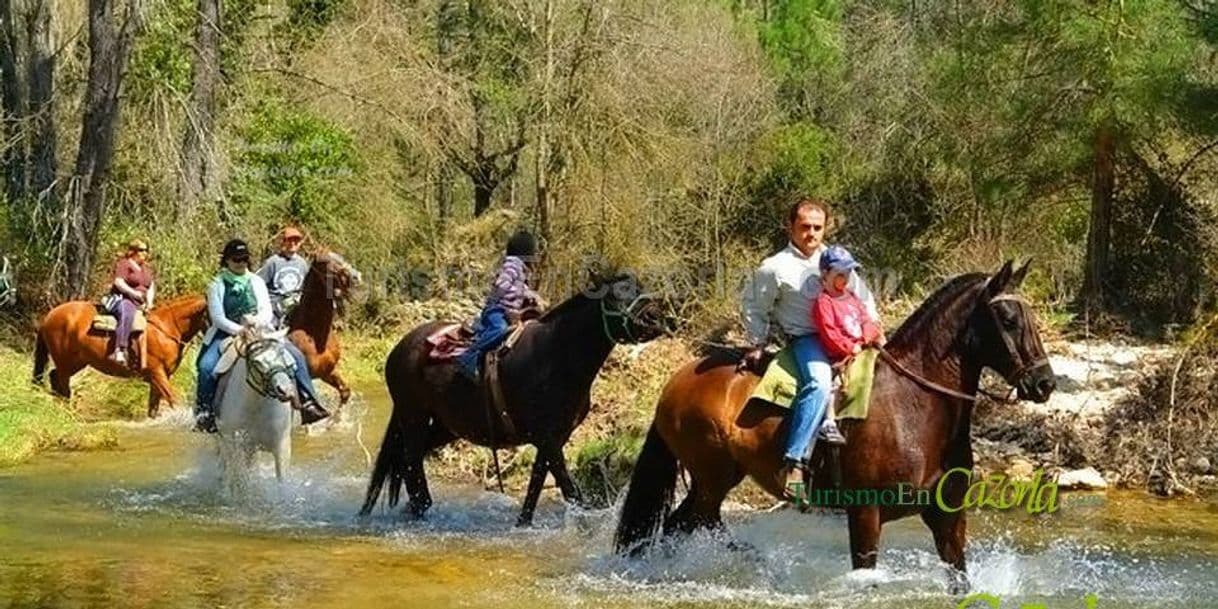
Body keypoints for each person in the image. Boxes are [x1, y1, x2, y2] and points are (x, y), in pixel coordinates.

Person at [739, 198, 878, 498]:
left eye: (818, 227)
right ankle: (795, 461)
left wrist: (873, 330)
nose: (812, 233)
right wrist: (757, 342)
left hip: (848, 335)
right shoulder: (774, 267)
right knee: (818, 383)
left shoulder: (838, 260)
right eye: (805, 227)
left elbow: (864, 300)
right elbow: (754, 305)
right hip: (809, 339)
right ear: (790, 227)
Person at [193, 239, 329, 434]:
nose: (241, 263)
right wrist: (239, 330)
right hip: (225, 332)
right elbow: (218, 317)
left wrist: (255, 323)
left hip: (259, 329)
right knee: (206, 367)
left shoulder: (256, 281)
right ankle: (204, 414)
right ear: (227, 261)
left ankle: (309, 403)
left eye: (244, 259)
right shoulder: (216, 284)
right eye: (236, 259)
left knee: (296, 356)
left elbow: (266, 311)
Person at [456, 229, 543, 381]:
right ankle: (469, 356)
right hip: (497, 310)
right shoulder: (512, 265)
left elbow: (521, 289)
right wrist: (522, 294)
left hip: (507, 311)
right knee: (499, 329)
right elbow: (502, 285)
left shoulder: (521, 271)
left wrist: (534, 297)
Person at [107, 239, 155, 365]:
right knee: (127, 312)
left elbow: (150, 286)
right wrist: (132, 293)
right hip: (124, 298)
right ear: (133, 251)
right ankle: (119, 349)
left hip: (141, 303)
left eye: (146, 250)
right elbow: (119, 282)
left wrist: (150, 302)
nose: (145, 253)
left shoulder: (146, 269)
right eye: (142, 250)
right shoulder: (125, 264)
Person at [257, 226, 310, 328]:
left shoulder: (302, 264)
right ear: (284, 242)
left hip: (294, 308)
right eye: (289, 240)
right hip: (274, 309)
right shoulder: (273, 262)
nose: (293, 243)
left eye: (296, 240)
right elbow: (257, 284)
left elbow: (306, 288)